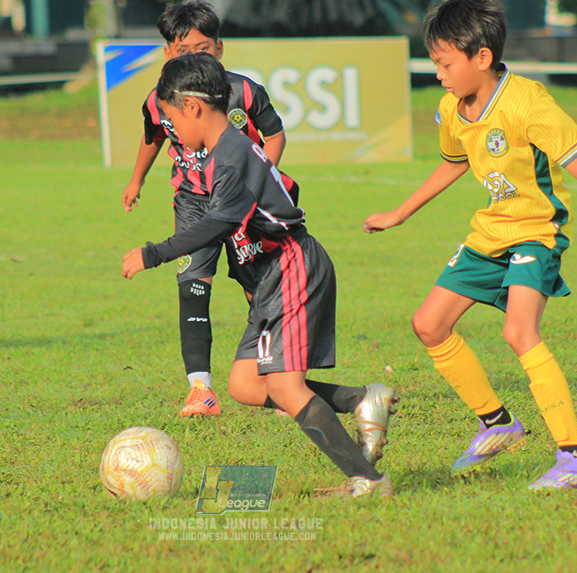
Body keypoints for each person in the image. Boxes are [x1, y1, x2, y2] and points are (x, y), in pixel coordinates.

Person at [363, 0, 577, 491]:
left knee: (519, 333)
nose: (439, 74)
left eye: (445, 63)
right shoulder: (453, 109)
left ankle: (575, 460)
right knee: (429, 324)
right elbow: (453, 163)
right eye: (435, 63)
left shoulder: (529, 103)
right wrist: (399, 213)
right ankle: (496, 423)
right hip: (491, 232)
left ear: (483, 57)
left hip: (538, 233)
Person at [123, 53, 396, 497]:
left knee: (287, 388)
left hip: (289, 268)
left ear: (192, 107)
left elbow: (220, 224)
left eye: (171, 119)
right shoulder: (225, 150)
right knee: (245, 385)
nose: (171, 132)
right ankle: (360, 400)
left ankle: (367, 479)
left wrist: (153, 253)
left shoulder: (228, 158)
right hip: (270, 277)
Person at [122, 0, 287, 417]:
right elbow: (153, 138)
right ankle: (201, 390)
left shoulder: (243, 91)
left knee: (259, 290)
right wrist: (136, 179)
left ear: (219, 48)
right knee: (192, 285)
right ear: (167, 54)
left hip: (240, 204)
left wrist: (257, 180)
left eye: (202, 47)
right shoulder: (158, 101)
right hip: (194, 202)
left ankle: (280, 381)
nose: (193, 56)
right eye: (182, 50)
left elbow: (275, 134)